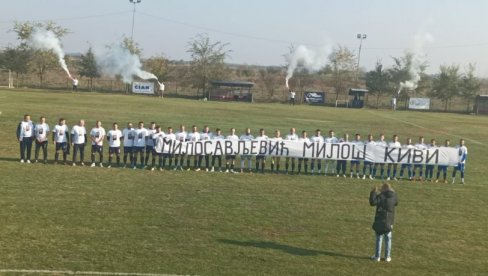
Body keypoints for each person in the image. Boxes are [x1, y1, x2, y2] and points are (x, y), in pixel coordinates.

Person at [369, 183, 399, 263]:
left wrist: (373, 192)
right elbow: (396, 203)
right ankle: (387, 257)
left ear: (384, 189)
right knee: (388, 239)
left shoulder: (381, 196)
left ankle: (377, 256)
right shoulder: (394, 196)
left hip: (380, 220)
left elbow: (373, 202)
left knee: (379, 238)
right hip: (390, 221)